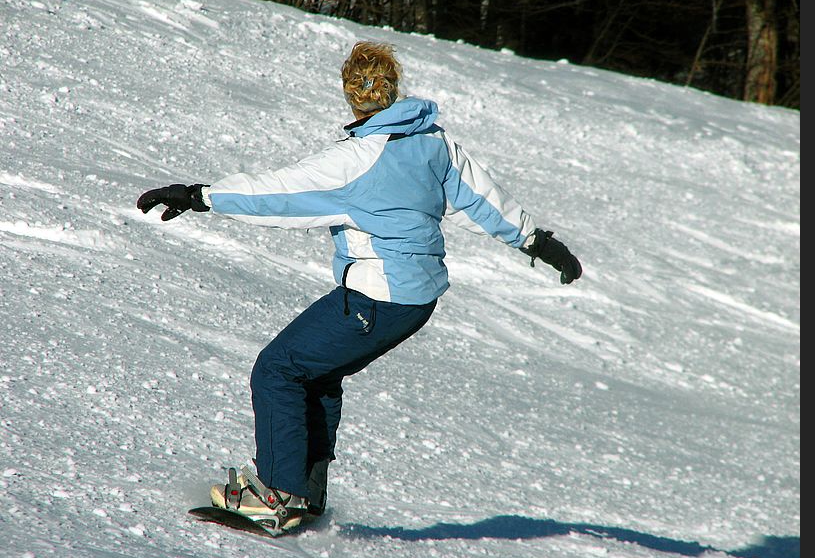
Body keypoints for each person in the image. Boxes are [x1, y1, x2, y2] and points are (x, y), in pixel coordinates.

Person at [137, 41, 582, 531]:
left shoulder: (355, 159)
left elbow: (278, 192)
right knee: (318, 374)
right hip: (416, 300)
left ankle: (278, 497)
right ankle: (304, 494)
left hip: (376, 297)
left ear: (351, 94)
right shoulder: (434, 142)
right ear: (394, 87)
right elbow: (483, 200)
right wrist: (535, 241)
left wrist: (200, 196)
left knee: (278, 369)